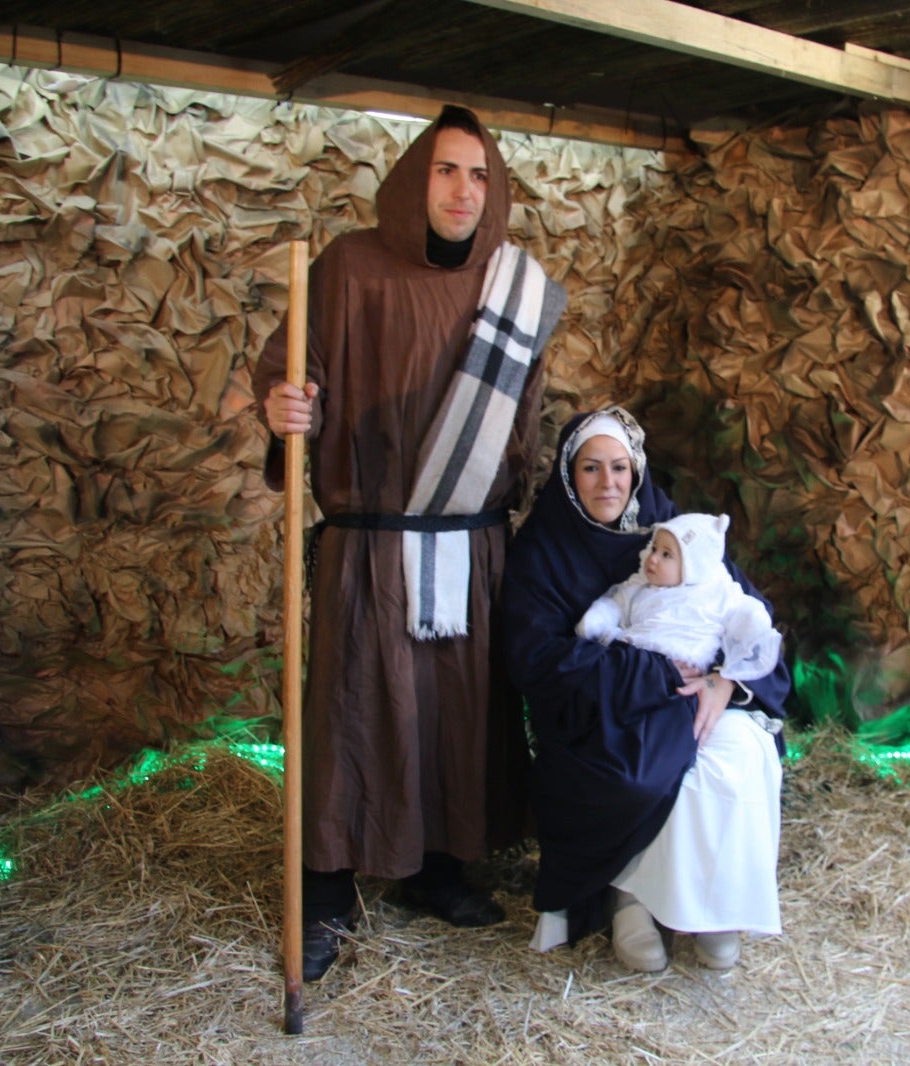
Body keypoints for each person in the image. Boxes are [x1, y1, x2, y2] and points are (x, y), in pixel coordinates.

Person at [253, 104, 566, 982]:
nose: (464, 191)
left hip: (470, 543)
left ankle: (435, 867)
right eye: (445, 170)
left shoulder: (515, 287)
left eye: (480, 176)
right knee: (354, 712)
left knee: (452, 714)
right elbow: (291, 371)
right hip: (373, 543)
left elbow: (523, 425)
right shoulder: (349, 268)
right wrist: (283, 406)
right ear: (412, 181)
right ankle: (322, 891)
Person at [501, 406, 790, 972]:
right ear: (568, 473)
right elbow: (536, 659)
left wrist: (723, 682)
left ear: (636, 471)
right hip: (597, 709)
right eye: (590, 468)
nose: (608, 483)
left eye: (620, 467)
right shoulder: (543, 551)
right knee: (649, 764)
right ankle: (630, 899)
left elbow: (747, 611)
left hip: (694, 692)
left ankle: (717, 909)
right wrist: (649, 675)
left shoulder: (672, 530)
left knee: (740, 751)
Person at [576, 513, 783, 693]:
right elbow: (616, 604)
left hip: (686, 671)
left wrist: (754, 625)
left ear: (693, 566)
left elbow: (747, 613)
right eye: (654, 548)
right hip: (634, 661)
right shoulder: (641, 586)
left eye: (666, 555)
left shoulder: (717, 593)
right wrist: (598, 621)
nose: (653, 558)